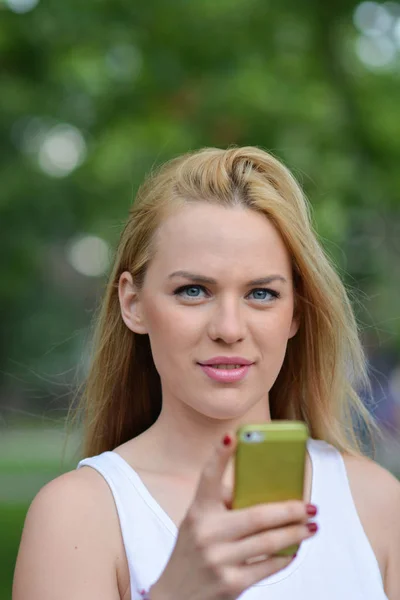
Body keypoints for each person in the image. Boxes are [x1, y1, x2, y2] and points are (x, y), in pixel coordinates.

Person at [13, 146, 400, 600]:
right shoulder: (77, 517)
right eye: (193, 290)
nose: (229, 329)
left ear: (296, 311)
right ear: (132, 304)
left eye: (260, 293)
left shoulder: (376, 503)